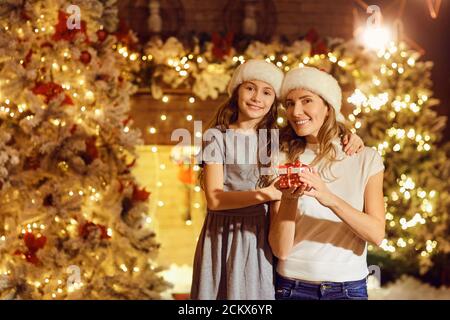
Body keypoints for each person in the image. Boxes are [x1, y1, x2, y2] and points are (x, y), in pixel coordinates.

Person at [191, 60, 365, 300]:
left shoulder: (276, 139)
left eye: (266, 92)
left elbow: (318, 129)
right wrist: (269, 194)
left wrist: (348, 133)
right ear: (236, 91)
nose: (256, 98)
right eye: (250, 88)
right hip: (225, 234)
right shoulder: (217, 137)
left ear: (274, 101)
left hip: (261, 235)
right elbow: (214, 200)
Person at [269, 66, 385, 300]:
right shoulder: (280, 157)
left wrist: (327, 197)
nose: (295, 111)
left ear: (328, 106)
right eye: (290, 103)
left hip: (348, 289)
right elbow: (280, 249)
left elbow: (376, 234)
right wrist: (290, 198)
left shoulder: (365, 157)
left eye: (306, 101)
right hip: (292, 287)